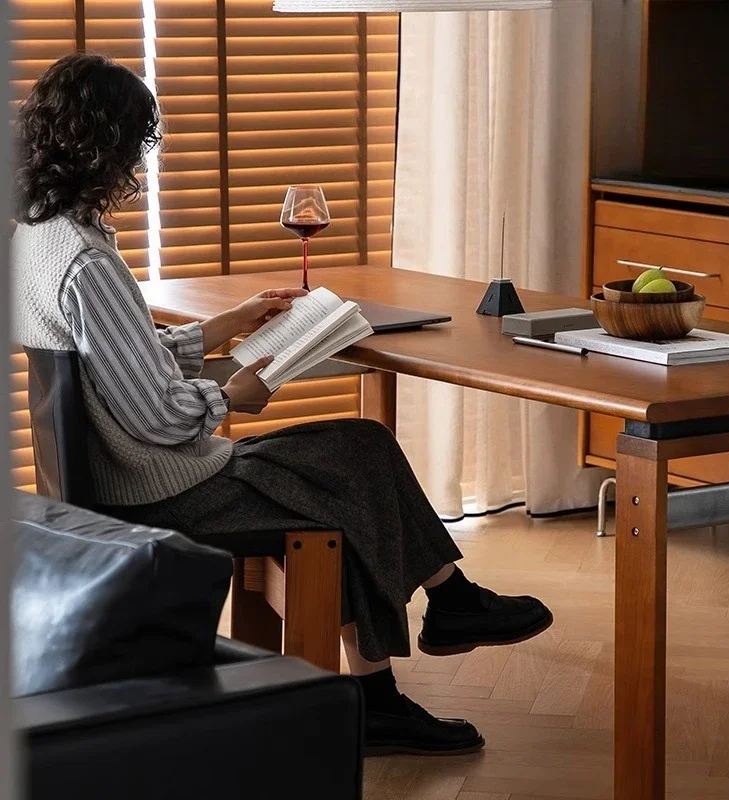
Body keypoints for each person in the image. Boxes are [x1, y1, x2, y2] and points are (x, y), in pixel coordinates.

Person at [11, 53, 553, 756]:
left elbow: (117, 362)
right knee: (360, 455)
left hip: (128, 480)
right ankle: (439, 616)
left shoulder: (38, 238)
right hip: (162, 491)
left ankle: (404, 663)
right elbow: (157, 417)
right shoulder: (85, 262)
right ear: (106, 145)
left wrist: (219, 327)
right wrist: (232, 395)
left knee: (348, 475)